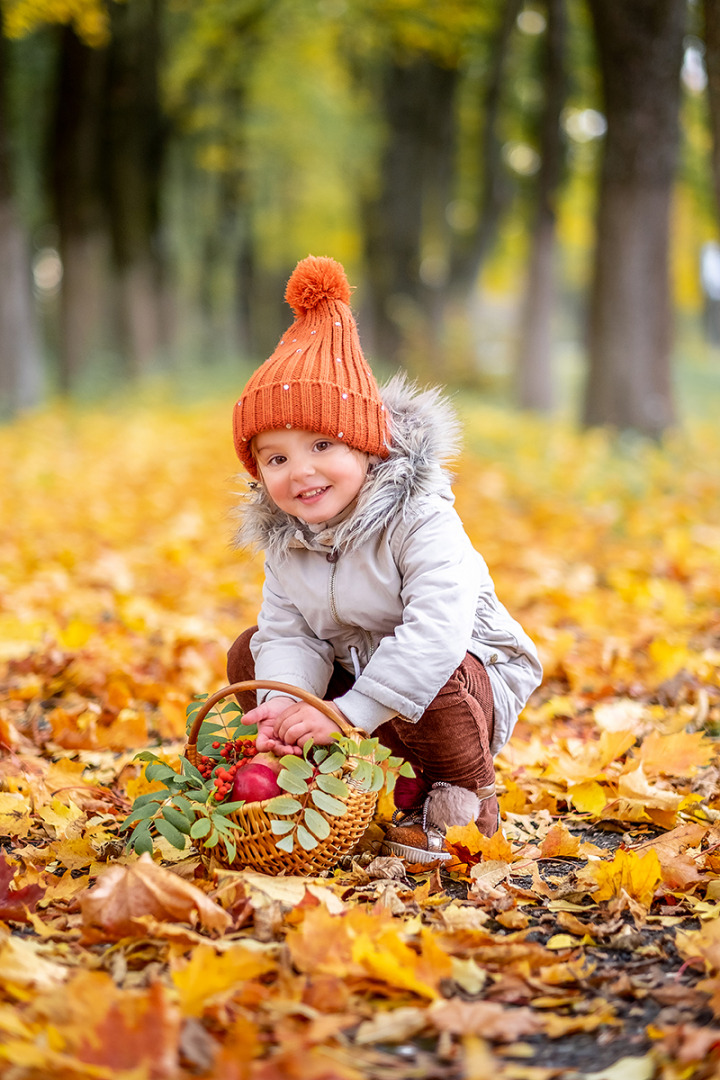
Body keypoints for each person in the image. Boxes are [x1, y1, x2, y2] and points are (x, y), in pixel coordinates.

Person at [227, 255, 542, 863]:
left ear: (368, 448)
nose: (302, 472)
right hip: (362, 683)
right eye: (277, 459)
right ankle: (324, 778)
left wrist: (348, 714)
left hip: (462, 676)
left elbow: (437, 632)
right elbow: (290, 631)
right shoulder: (287, 539)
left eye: (322, 445)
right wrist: (295, 701)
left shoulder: (419, 519)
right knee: (252, 654)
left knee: (434, 669)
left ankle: (463, 798)